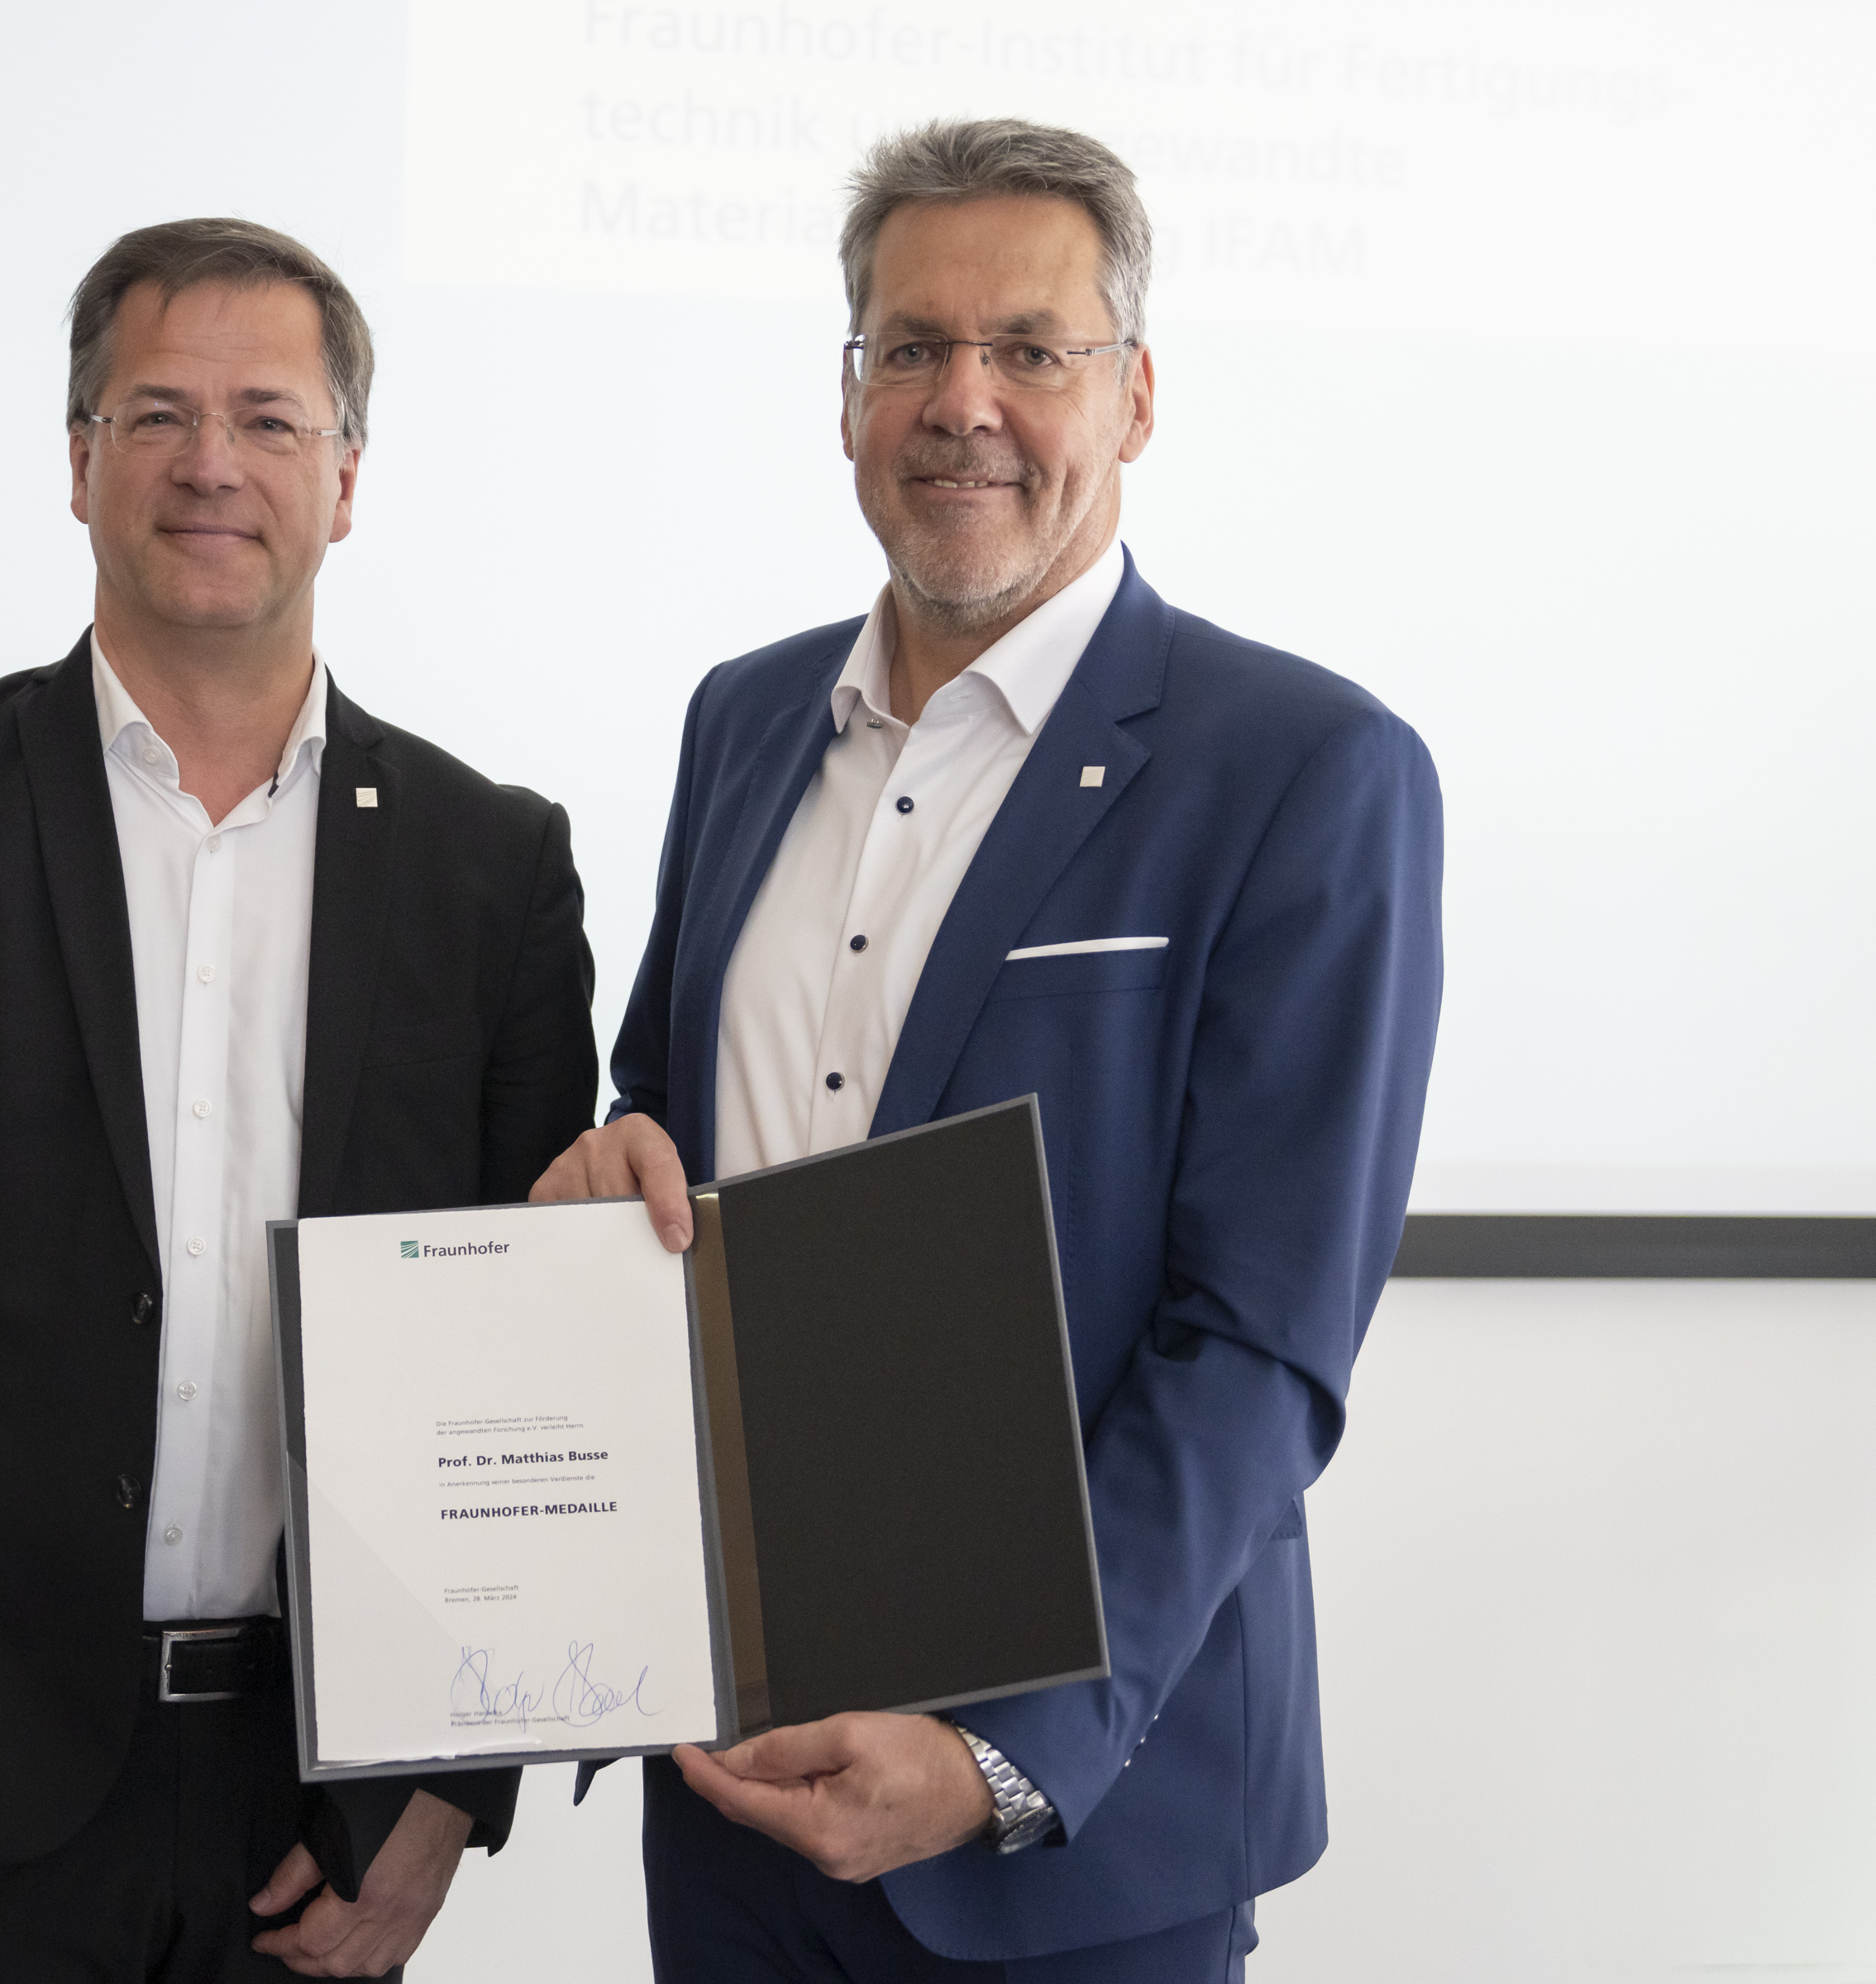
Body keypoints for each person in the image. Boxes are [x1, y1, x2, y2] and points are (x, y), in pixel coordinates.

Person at [532, 119, 1443, 1982]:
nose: (964, 402)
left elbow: (1258, 1347)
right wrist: (612, 1150)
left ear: (1134, 395)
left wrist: (999, 1751)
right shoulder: (741, 720)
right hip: (736, 1795)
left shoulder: (1304, 772)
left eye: (1029, 349)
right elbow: (667, 1100)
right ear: (848, 390)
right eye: (909, 348)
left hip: (1075, 1839)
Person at [0, 217, 596, 1982]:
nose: (209, 464)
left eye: (268, 419)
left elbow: (534, 1359)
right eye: (154, 412)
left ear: (347, 479)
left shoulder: (495, 868)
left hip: (327, 1801)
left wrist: (447, 1803)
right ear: (80, 461)